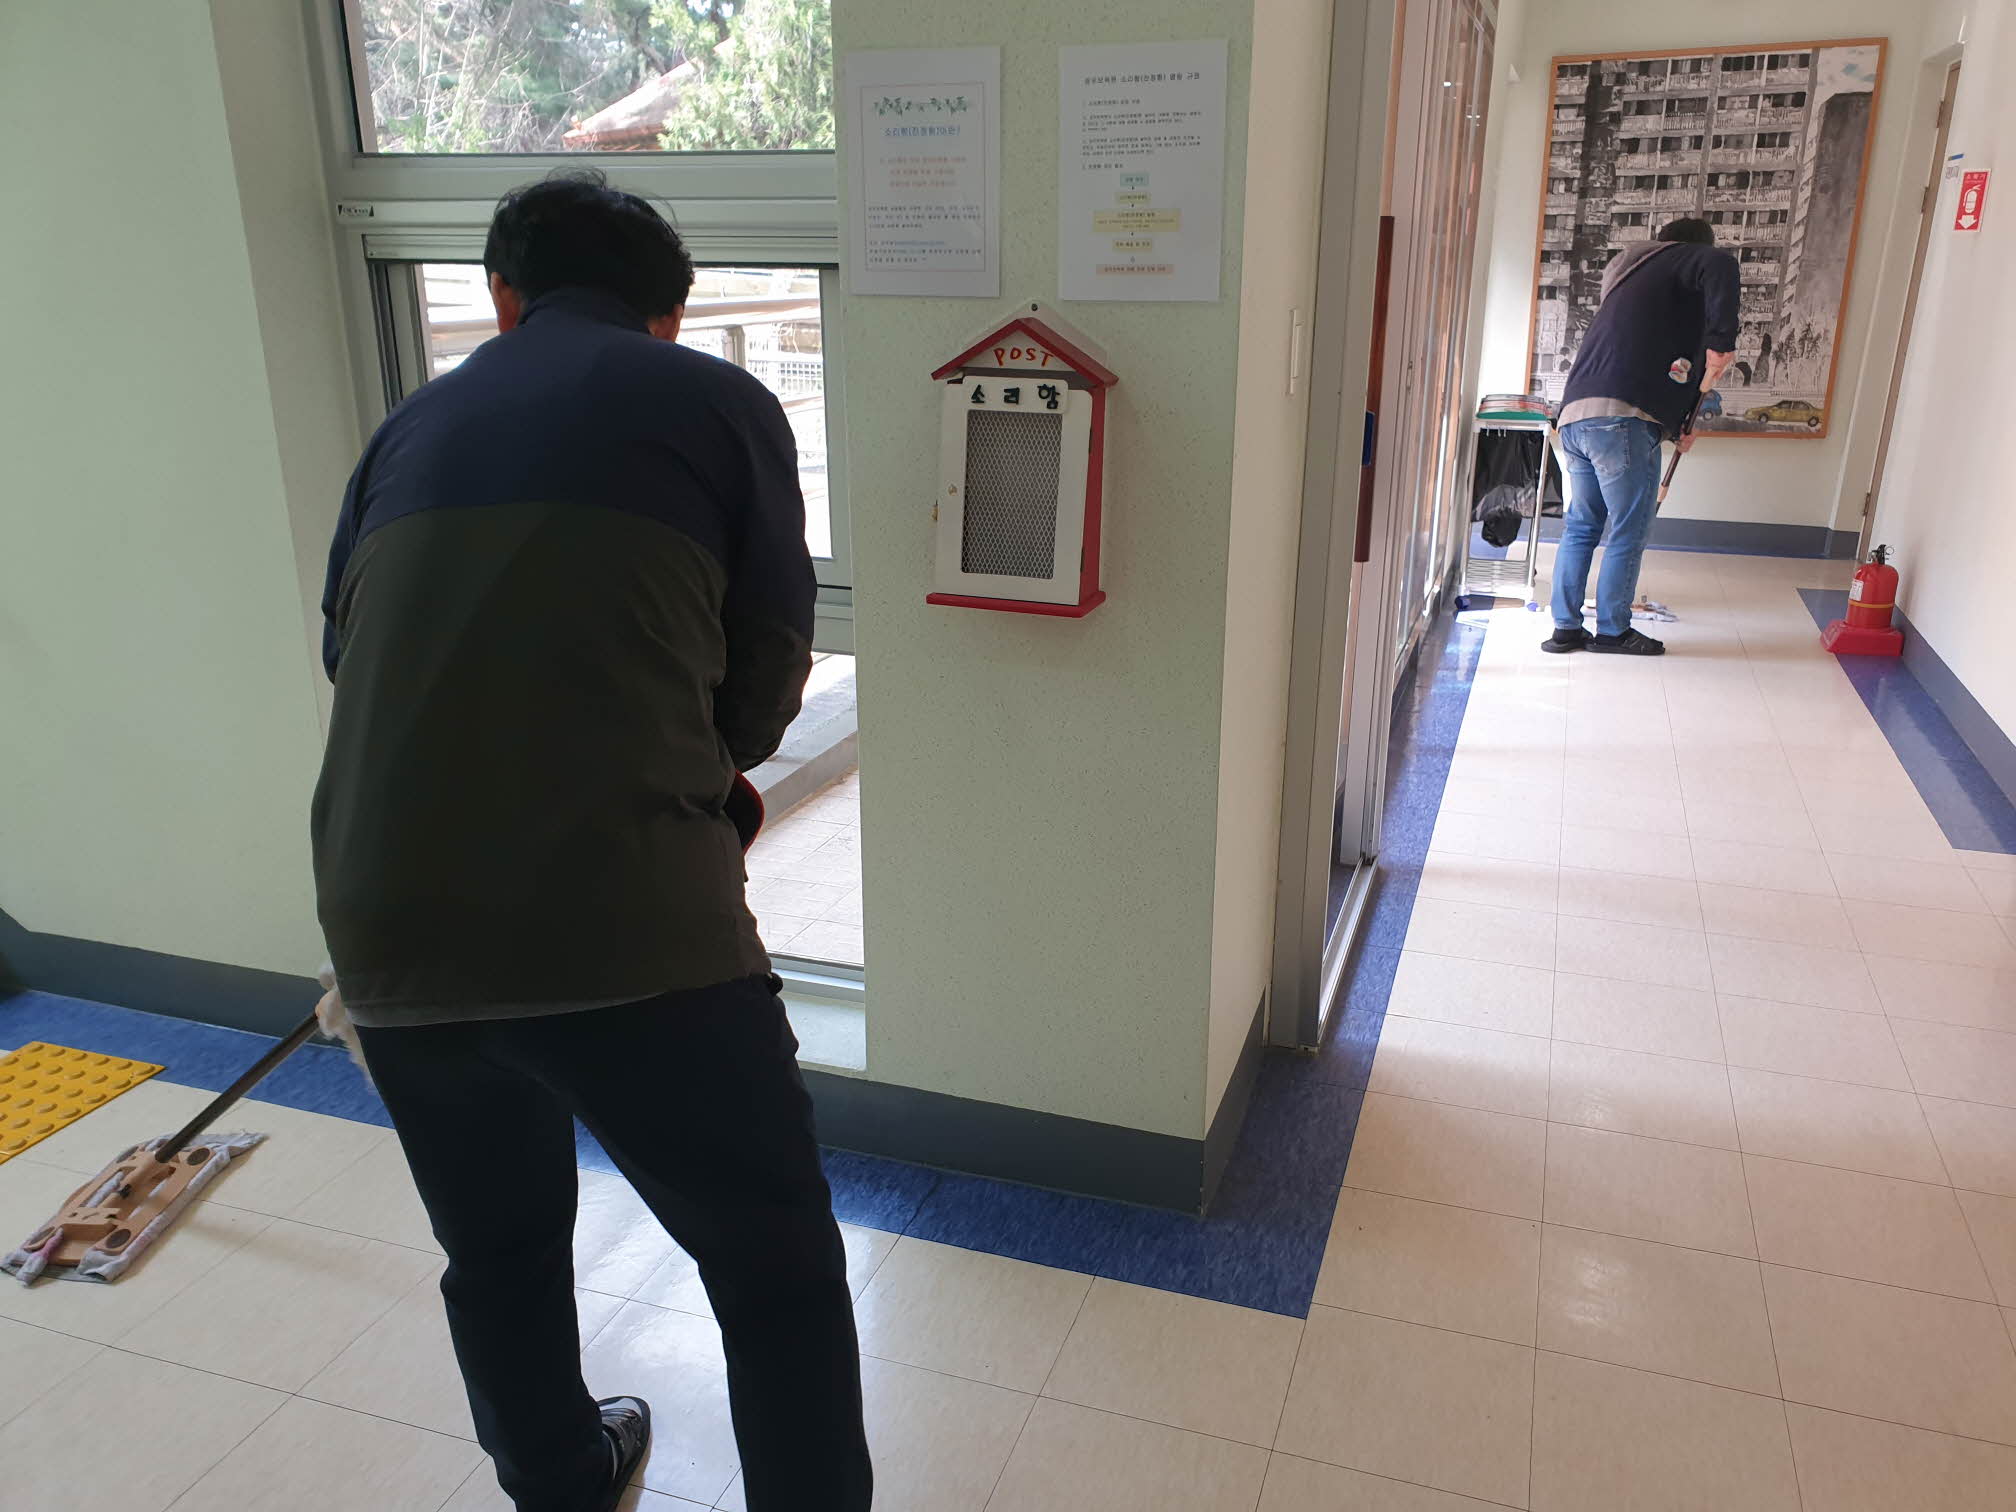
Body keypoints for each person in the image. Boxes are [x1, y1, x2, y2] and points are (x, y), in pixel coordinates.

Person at [311, 169, 871, 1512]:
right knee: (775, 1266)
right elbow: (766, 672)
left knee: (497, 1249)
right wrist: (685, 760)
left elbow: (348, 654)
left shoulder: (406, 429)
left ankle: (561, 1480)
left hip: (386, 923)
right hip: (630, 920)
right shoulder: (718, 402)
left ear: (503, 297)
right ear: (667, 315)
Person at [1544, 217, 1738, 656]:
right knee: (1629, 530)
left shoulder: (1631, 286)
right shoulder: (1687, 261)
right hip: (1621, 422)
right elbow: (1721, 264)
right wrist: (1722, 342)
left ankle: (1566, 629)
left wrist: (1676, 425)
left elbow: (1668, 371)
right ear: (1688, 250)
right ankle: (1613, 631)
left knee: (1582, 526)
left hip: (1575, 418)